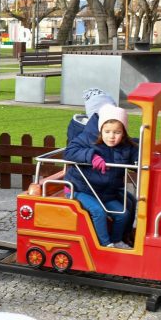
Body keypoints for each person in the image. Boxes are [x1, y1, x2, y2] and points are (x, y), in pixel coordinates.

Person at [64, 105, 138, 249]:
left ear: (123, 133)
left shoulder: (125, 146)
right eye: (107, 131)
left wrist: (140, 158)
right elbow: (70, 152)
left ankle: (117, 240)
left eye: (117, 132)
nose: (111, 136)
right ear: (100, 130)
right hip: (80, 189)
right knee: (98, 212)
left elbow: (135, 151)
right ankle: (105, 245)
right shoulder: (87, 139)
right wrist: (91, 156)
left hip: (104, 192)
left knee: (122, 214)